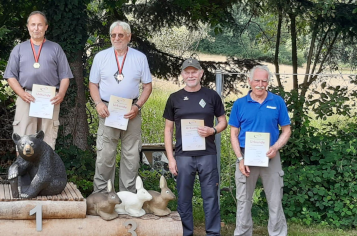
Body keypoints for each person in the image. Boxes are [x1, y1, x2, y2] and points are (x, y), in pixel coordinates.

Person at [164, 58, 228, 236]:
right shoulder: (174, 98)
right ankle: (186, 233)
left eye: (194, 72)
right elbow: (168, 130)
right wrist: (171, 158)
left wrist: (213, 130)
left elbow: (223, 122)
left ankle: (213, 233)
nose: (190, 75)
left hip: (207, 154)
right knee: (184, 199)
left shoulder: (211, 96)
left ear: (201, 73)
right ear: (183, 74)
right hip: (183, 156)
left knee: (211, 197)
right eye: (187, 72)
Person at [89, 21, 153, 193]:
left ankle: (128, 197)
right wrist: (98, 104)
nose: (116, 38)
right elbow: (93, 84)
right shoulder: (100, 57)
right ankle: (103, 197)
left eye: (120, 35)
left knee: (131, 156)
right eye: (113, 35)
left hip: (131, 109)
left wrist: (138, 106)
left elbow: (148, 86)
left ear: (129, 37)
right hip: (107, 110)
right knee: (105, 155)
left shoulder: (139, 58)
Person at [229, 65, 291, 236]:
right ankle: (242, 233)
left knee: (275, 200)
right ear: (249, 81)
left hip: (271, 156)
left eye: (264, 81)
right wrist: (240, 159)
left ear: (268, 82)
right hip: (246, 156)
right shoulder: (240, 104)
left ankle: (278, 233)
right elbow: (233, 134)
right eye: (257, 80)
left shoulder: (277, 101)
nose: (260, 84)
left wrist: (276, 147)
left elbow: (286, 130)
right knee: (243, 201)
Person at [4, 11, 73, 150]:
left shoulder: (55, 48)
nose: (36, 28)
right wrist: (21, 94)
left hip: (50, 99)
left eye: (40, 25)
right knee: (24, 140)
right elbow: (10, 76)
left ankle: (44, 172)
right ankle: (24, 172)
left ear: (46, 27)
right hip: (26, 97)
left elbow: (65, 76)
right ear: (28, 27)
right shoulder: (19, 49)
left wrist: (61, 94)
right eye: (33, 24)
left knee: (47, 139)